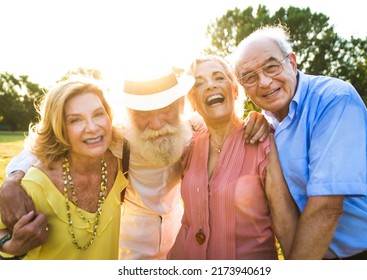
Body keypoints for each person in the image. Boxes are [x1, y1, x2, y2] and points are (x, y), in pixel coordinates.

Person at [0, 67, 269, 260]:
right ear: (129, 114)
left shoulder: (193, 129)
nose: (157, 124)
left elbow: (226, 126)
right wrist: (13, 179)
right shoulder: (117, 137)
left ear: (179, 104)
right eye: (143, 114)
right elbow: (44, 146)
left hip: (179, 248)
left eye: (165, 109)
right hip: (127, 252)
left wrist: (257, 120)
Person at [231, 25, 367, 260]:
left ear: (292, 63)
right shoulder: (266, 124)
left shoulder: (334, 99)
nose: (264, 82)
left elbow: (327, 206)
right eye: (250, 77)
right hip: (320, 256)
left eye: (271, 66)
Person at [167, 55, 298, 260]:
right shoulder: (188, 146)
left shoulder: (263, 143)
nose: (210, 86)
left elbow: (286, 224)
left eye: (218, 78)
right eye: (199, 84)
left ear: (235, 90)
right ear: (193, 101)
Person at [0, 76, 128, 259]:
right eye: (75, 120)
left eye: (99, 114)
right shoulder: (34, 186)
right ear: (59, 128)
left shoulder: (119, 162)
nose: (92, 127)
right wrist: (10, 246)